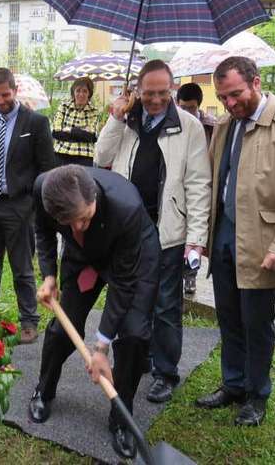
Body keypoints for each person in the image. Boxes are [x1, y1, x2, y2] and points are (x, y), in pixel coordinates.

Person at [195, 56, 275, 426]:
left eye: (235, 94)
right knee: (229, 317)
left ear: (256, 82)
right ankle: (233, 384)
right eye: (222, 97)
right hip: (224, 240)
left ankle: (256, 394)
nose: (231, 104)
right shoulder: (224, 125)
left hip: (265, 242)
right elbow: (216, 183)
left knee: (257, 322)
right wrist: (204, 237)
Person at [95, 60, 211, 404]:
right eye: (149, 93)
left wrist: (196, 238)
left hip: (168, 232)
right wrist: (116, 117)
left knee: (164, 306)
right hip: (126, 233)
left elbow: (198, 184)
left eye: (163, 93)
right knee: (128, 300)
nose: (156, 99)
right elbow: (101, 155)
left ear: (172, 90)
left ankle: (165, 372)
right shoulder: (126, 121)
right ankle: (138, 356)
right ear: (137, 91)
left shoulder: (189, 127)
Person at [27, 165, 160, 460]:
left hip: (133, 254)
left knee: (134, 335)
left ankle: (122, 418)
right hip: (83, 254)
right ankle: (43, 391)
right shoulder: (43, 188)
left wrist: (101, 347)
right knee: (63, 328)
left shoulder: (126, 206)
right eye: (70, 223)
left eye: (84, 218)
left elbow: (124, 285)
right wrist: (49, 275)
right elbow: (44, 231)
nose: (76, 227)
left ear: (94, 199)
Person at [0, 67, 54, 344]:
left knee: (22, 269)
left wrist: (31, 204)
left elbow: (47, 169)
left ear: (15, 91)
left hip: (18, 208)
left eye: (5, 94)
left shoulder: (36, 123)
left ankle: (28, 321)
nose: (1, 100)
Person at [175, 81, 217, 296]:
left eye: (191, 108)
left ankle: (191, 276)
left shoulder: (211, 126)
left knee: (197, 235)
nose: (187, 112)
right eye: (182, 107)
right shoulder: (175, 124)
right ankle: (181, 274)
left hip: (203, 187)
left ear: (198, 106)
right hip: (179, 188)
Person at [52, 77, 99, 167]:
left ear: (89, 94)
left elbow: (92, 137)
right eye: (78, 91)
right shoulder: (64, 106)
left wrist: (69, 130)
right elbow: (56, 132)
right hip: (61, 154)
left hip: (84, 157)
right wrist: (82, 132)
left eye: (85, 91)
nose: (81, 94)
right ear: (73, 92)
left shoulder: (94, 111)